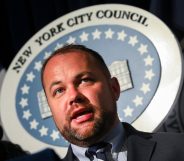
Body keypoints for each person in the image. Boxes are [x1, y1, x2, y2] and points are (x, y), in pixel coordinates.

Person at [7, 44, 184, 161]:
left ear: (114, 88)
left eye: (84, 80)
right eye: (59, 90)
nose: (73, 96)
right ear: (51, 109)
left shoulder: (178, 148)